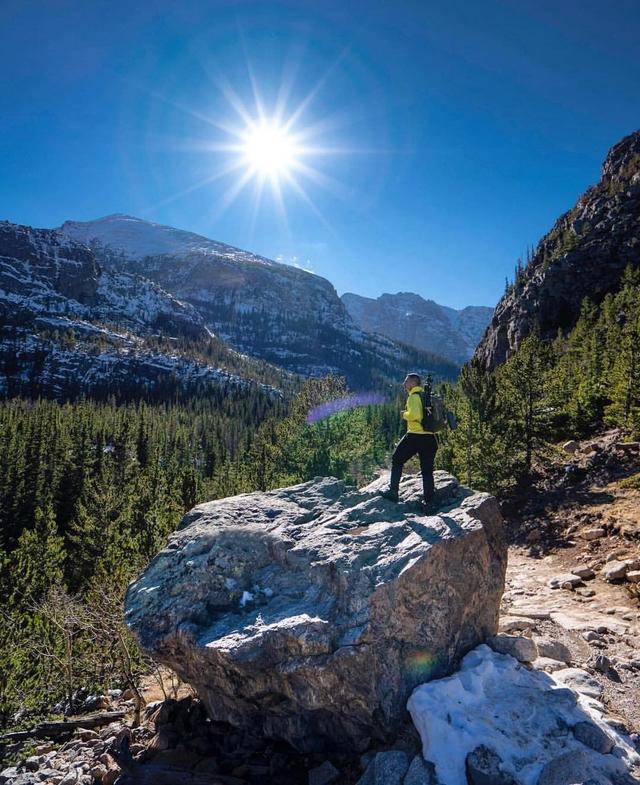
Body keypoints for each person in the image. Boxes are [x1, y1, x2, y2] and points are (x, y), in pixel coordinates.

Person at [379, 373, 438, 511]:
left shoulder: (413, 397)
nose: (404, 383)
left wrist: (404, 414)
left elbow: (415, 415)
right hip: (430, 438)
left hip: (415, 436)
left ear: (412, 383)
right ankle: (429, 503)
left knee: (397, 460)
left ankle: (393, 492)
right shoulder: (426, 396)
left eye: (406, 381)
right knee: (427, 471)